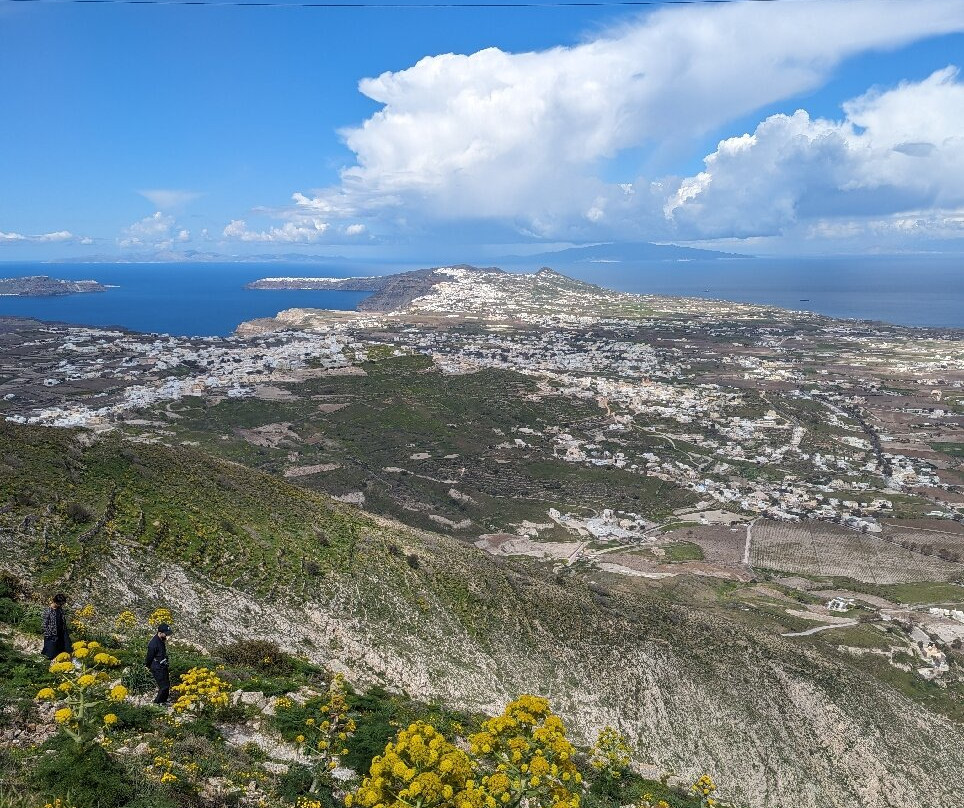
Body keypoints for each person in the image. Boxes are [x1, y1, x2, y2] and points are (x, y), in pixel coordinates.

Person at [144, 623, 172, 705]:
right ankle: (157, 703)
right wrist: (148, 666)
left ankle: (164, 701)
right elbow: (149, 657)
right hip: (157, 667)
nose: (167, 635)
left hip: (163, 665)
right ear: (160, 632)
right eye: (165, 633)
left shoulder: (161, 639)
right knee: (164, 686)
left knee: (167, 684)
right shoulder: (153, 644)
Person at [41, 593, 71, 660]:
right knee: (50, 652)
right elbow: (44, 624)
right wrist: (49, 634)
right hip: (52, 635)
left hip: (61, 632)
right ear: (55, 601)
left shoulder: (60, 609)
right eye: (60, 603)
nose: (61, 605)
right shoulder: (48, 610)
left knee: (66, 649)